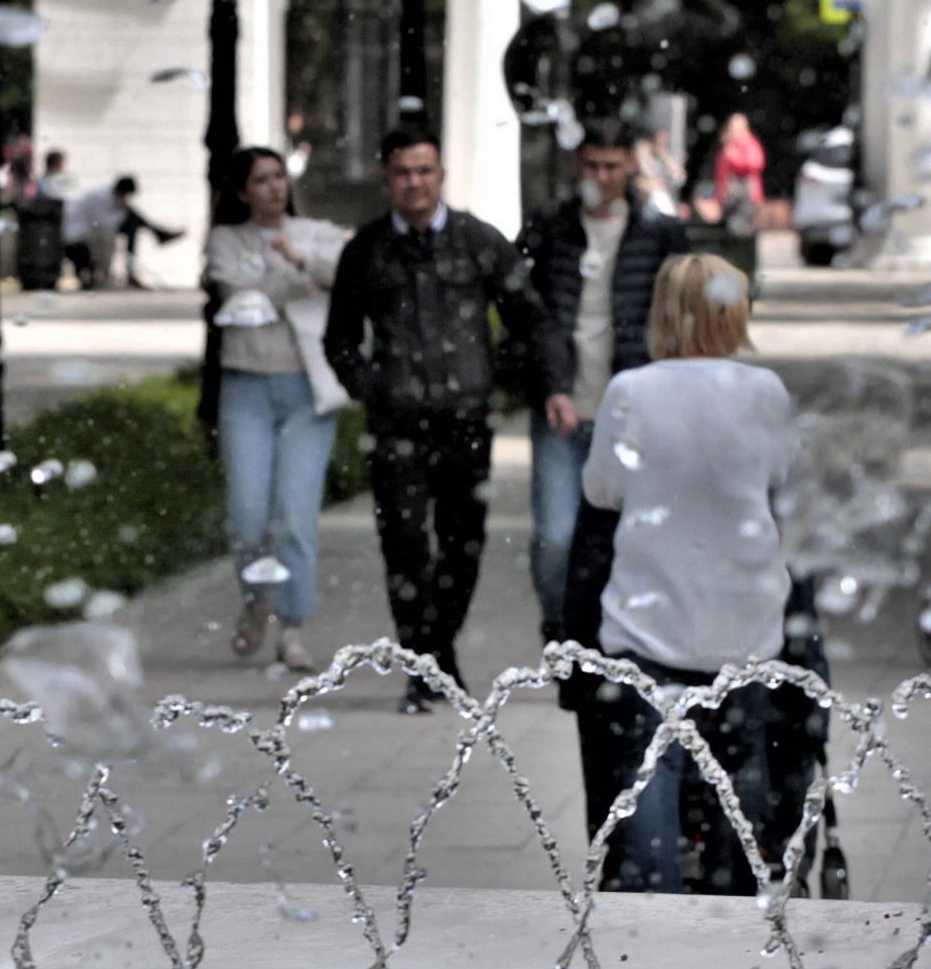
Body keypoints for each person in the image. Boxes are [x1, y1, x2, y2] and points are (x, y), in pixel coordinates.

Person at [322, 124, 566, 712]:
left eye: (425, 171)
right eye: (403, 172)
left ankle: (439, 649)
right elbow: (340, 338)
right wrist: (370, 387)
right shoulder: (367, 250)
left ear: (441, 175)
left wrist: (500, 376)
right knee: (404, 545)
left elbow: (528, 317)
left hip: (465, 420)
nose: (415, 183)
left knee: (463, 546)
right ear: (387, 178)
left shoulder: (477, 240)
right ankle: (422, 663)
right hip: (396, 423)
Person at [580, 255, 798, 894]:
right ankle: (738, 899)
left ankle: (656, 906)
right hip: (745, 625)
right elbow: (785, 476)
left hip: (649, 618)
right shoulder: (765, 393)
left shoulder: (631, 392)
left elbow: (601, 490)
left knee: (650, 772)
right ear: (735, 312)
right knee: (740, 768)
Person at [518, 121, 688, 653]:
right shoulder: (550, 228)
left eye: (613, 165)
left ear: (630, 168)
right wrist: (548, 384)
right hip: (563, 406)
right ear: (577, 166)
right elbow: (529, 316)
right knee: (556, 536)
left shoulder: (658, 234)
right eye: (592, 165)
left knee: (630, 536)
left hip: (632, 414)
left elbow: (678, 320)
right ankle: (560, 624)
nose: (602, 176)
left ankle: (611, 641)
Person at [204, 146, 348, 672]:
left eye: (278, 177)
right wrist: (298, 275)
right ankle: (255, 600)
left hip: (307, 391)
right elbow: (241, 295)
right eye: (261, 180)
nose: (273, 188)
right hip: (246, 389)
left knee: (293, 515)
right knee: (246, 517)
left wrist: (306, 261)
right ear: (242, 192)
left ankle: (292, 628)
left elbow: (348, 267)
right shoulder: (225, 240)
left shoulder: (314, 232)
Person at [62, 175, 181, 290]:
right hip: (80, 232)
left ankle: (155, 237)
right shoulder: (98, 197)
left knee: (132, 226)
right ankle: (158, 233)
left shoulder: (113, 198)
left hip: (95, 229)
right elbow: (103, 223)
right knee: (131, 218)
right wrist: (125, 208)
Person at [707, 112, 766, 230]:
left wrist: (733, 158)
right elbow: (721, 176)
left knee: (739, 226)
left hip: (745, 197)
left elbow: (755, 164)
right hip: (728, 197)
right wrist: (717, 198)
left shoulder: (749, 143)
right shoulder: (728, 146)